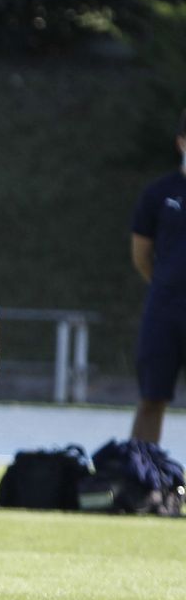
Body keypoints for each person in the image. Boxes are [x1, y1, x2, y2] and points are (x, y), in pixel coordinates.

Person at [129, 110, 186, 443]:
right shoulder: (159, 193)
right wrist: (168, 286)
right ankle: (142, 479)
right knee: (152, 397)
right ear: (181, 142)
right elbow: (141, 255)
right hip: (165, 311)